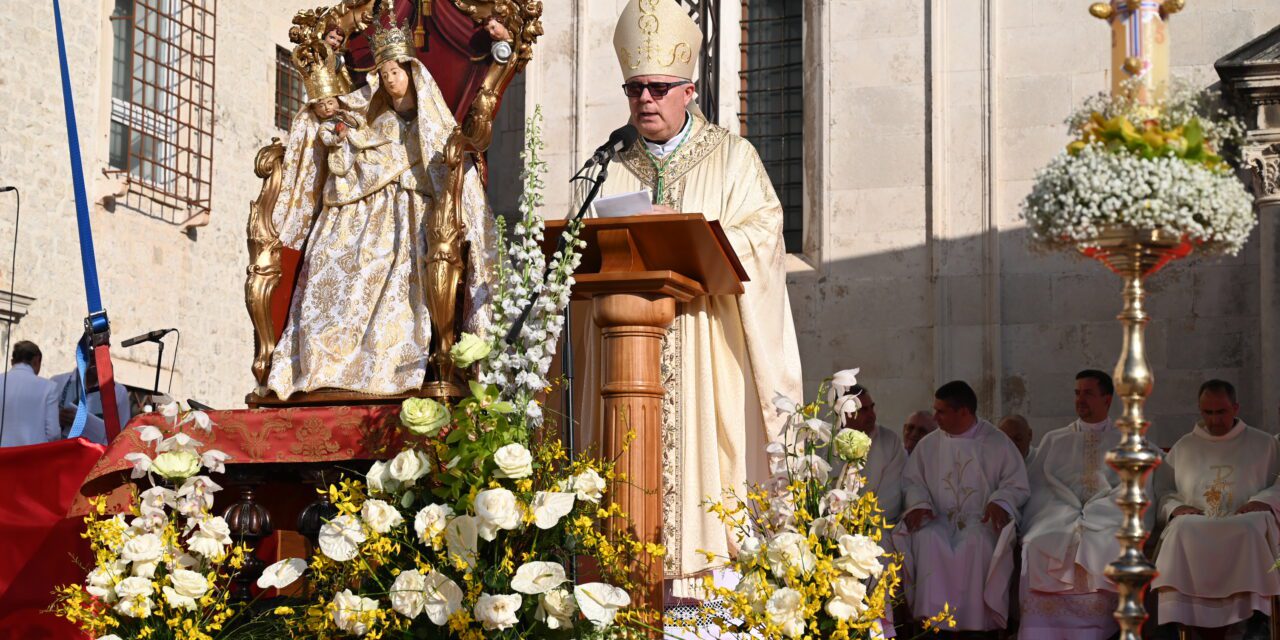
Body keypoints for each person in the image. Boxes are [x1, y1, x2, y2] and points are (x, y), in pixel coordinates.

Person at [579, 0, 804, 604]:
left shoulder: (731, 157)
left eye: (657, 88)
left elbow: (765, 233)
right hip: (624, 354)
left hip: (705, 346)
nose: (644, 100)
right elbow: (581, 248)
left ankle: (700, 605)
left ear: (689, 90)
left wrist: (698, 238)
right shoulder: (607, 166)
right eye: (634, 89)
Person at [267, 10, 495, 399]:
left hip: (409, 216)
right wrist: (340, 137)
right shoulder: (374, 119)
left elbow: (445, 169)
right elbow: (350, 149)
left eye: (395, 71)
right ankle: (322, 362)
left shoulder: (433, 126)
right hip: (360, 209)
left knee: (394, 265)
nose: (389, 78)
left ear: (411, 72)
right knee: (329, 254)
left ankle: (387, 364)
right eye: (384, 72)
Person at [894, 380, 1029, 632]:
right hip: (937, 517)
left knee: (977, 543)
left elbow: (1016, 484)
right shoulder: (929, 444)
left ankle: (976, 624)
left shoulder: (997, 442)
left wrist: (999, 501)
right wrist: (919, 503)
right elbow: (912, 482)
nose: (935, 417)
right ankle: (930, 623)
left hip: (981, 520)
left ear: (964, 412)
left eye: (941, 411)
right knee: (927, 539)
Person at [1152, 380, 1280, 639]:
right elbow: (1164, 490)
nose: (1214, 420)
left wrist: (1265, 499)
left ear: (1235, 408)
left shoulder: (1265, 444)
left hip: (1246, 520)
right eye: (1207, 412)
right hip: (1197, 522)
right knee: (1179, 530)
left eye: (1221, 412)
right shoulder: (1184, 446)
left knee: (1251, 527)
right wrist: (1177, 507)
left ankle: (1257, 620)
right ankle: (1173, 623)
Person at [1017, 369, 1125, 640]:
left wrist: (1096, 510)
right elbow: (1039, 486)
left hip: (1106, 516)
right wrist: (1066, 510)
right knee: (1036, 542)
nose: (1080, 400)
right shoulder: (1055, 439)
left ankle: (1095, 630)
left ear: (1107, 399)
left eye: (1088, 393)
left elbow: (1135, 488)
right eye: (1077, 393)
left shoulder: (1127, 441)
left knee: (1104, 542)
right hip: (1058, 514)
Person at [838, 384, 905, 524]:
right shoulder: (824, 443)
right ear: (844, 414)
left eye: (871, 408)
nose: (871, 415)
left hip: (875, 525)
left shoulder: (890, 442)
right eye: (863, 410)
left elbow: (892, 493)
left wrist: (863, 521)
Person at [51, 366, 131, 446]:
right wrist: (57, 419)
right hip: (59, 448)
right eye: (92, 359)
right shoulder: (58, 382)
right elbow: (46, 425)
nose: (95, 362)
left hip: (96, 451)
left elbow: (122, 434)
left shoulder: (119, 392)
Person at [0, 341, 60, 448]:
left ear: (12, 361)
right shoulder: (49, 387)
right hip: (33, 454)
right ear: (36, 360)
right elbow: (53, 433)